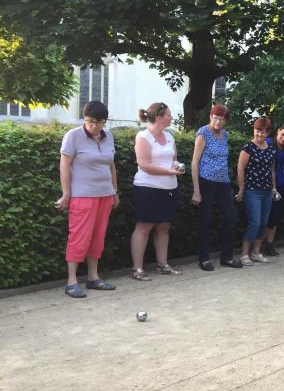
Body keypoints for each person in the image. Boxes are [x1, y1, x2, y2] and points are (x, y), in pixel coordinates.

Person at [56, 101, 119, 298]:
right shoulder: (73, 136)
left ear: (104, 122)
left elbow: (111, 166)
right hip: (82, 196)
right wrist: (66, 193)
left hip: (105, 195)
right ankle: (72, 281)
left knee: (97, 237)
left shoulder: (108, 137)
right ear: (84, 118)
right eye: (90, 121)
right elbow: (64, 166)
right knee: (78, 237)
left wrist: (114, 191)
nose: (93, 126)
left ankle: (93, 277)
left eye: (98, 122)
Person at [130, 102, 185, 281]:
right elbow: (144, 164)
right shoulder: (143, 136)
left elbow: (173, 159)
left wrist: (176, 166)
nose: (171, 117)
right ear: (159, 117)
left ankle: (162, 265)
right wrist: (169, 171)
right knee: (144, 227)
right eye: (168, 115)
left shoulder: (170, 137)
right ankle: (137, 269)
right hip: (147, 188)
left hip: (169, 188)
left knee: (164, 227)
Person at [191, 104, 242, 271]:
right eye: (215, 117)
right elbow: (194, 163)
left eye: (221, 119)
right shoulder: (203, 133)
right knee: (205, 220)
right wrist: (196, 190)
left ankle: (226, 257)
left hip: (223, 182)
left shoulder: (225, 135)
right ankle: (204, 259)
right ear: (210, 116)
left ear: (226, 121)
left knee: (231, 217)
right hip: (206, 181)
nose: (218, 121)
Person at [236, 117, 278, 265]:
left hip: (267, 191)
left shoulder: (271, 149)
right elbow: (240, 169)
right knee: (254, 222)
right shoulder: (248, 147)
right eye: (257, 131)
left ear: (268, 133)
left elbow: (272, 170)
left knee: (263, 223)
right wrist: (242, 189)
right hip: (252, 190)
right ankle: (244, 254)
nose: (259, 135)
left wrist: (274, 188)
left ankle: (256, 252)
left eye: (263, 132)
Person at [263, 122, 284, 256]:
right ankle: (256, 246)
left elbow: (282, 166)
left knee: (275, 216)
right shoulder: (267, 142)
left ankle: (269, 244)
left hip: (280, 185)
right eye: (282, 135)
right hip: (265, 183)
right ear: (278, 131)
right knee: (263, 216)